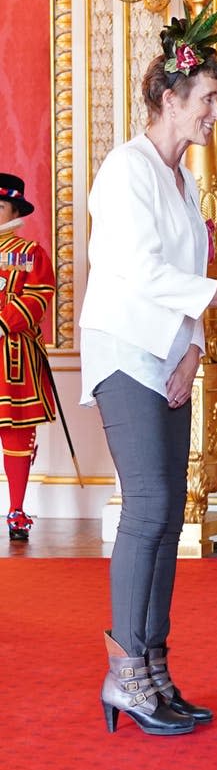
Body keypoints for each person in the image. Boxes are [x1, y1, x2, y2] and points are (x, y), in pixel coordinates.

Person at [79, 5, 217, 737]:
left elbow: (186, 273)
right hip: (123, 351)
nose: (214, 114)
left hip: (168, 356)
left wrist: (195, 349)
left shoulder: (183, 182)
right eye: (207, 101)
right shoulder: (125, 171)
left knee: (169, 517)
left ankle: (154, 669)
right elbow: (136, 273)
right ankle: (122, 672)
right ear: (168, 99)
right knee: (148, 506)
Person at [0, 173, 56, 541]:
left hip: (11, 356)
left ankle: (17, 509)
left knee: (16, 433)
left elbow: (39, 295)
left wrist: (5, 321)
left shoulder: (27, 252)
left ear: (14, 209)